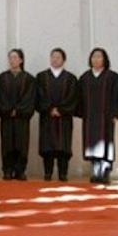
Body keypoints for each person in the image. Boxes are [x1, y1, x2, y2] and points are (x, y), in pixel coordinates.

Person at [77, 48, 118, 184]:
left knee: (107, 143)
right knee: (92, 144)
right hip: (90, 117)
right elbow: (79, 98)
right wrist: (81, 113)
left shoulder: (113, 77)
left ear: (105, 59)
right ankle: (95, 171)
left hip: (106, 117)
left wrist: (116, 113)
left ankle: (106, 171)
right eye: (93, 57)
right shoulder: (85, 77)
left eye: (99, 57)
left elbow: (117, 96)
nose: (96, 59)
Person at [35, 48, 78, 181]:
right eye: (53, 56)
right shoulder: (41, 77)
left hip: (64, 118)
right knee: (47, 146)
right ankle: (47, 172)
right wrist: (49, 109)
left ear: (64, 60)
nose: (55, 59)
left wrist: (61, 110)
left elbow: (73, 97)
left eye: (58, 57)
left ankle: (63, 173)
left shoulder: (70, 78)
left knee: (63, 147)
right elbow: (39, 96)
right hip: (47, 117)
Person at [0, 49, 36, 181]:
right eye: (10, 58)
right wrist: (8, 110)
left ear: (21, 60)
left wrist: (18, 110)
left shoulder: (28, 79)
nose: (12, 60)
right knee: (7, 144)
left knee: (21, 144)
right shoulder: (2, 78)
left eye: (15, 57)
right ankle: (7, 170)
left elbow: (30, 98)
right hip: (6, 118)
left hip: (22, 118)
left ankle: (20, 170)